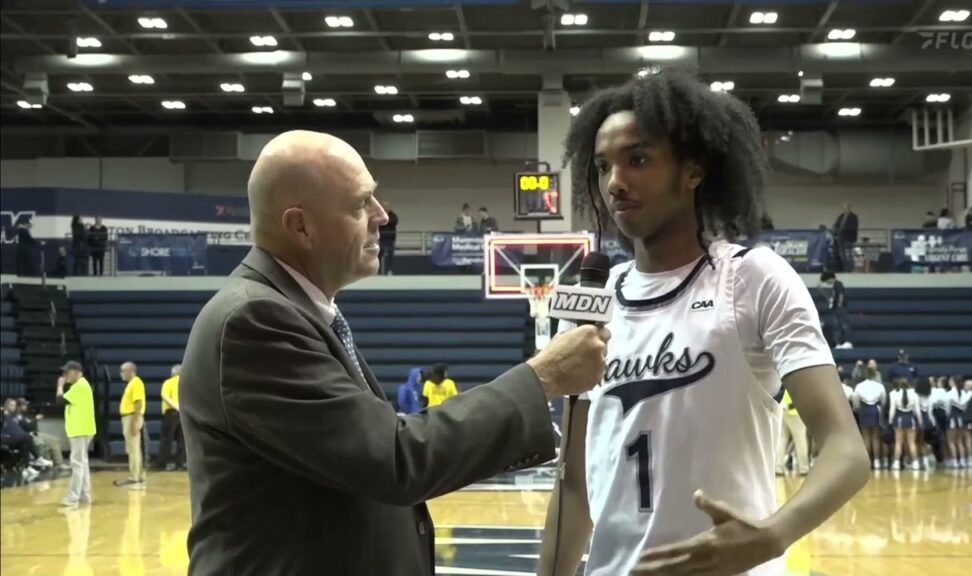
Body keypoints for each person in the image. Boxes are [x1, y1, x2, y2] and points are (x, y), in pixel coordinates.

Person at [178, 130, 610, 576]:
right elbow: (395, 459)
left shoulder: (295, 312)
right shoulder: (255, 321)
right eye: (359, 204)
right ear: (299, 226)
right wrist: (544, 377)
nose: (382, 216)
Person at [539, 68, 868, 576]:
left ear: (693, 171)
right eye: (604, 166)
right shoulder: (593, 302)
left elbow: (846, 449)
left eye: (639, 159)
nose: (615, 183)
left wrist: (772, 536)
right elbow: (576, 483)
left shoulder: (753, 277)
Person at [56, 361, 96, 507]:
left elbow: (60, 401)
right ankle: (85, 495)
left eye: (67, 372)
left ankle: (73, 497)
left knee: (77, 464)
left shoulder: (80, 386)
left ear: (76, 372)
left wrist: (60, 385)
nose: (65, 375)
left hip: (81, 430)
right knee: (83, 463)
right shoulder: (80, 386)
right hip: (82, 429)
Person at [116, 362, 146, 486]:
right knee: (134, 448)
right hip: (130, 417)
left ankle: (134, 477)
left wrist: (135, 422)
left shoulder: (136, 382)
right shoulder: (132, 384)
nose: (121, 374)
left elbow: (138, 403)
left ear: (130, 371)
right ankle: (138, 475)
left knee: (133, 448)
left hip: (132, 417)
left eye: (123, 371)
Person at [853, 366, 887, 470]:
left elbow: (856, 401)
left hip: (864, 410)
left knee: (866, 437)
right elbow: (884, 400)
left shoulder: (859, 386)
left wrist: (858, 409)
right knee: (876, 437)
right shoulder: (880, 386)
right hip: (875, 410)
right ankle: (877, 461)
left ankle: (867, 461)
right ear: (874, 374)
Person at [887, 378, 921, 470]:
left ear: (899, 385)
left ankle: (896, 463)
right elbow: (917, 410)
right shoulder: (914, 395)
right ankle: (916, 463)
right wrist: (920, 421)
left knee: (898, 443)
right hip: (910, 420)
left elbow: (892, 410)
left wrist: (890, 422)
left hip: (899, 420)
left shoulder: (895, 395)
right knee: (911, 443)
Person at [775, 389, 809, 476]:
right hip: (794, 410)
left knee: (782, 439)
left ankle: (778, 468)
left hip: (783, 406)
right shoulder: (802, 378)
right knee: (800, 440)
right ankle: (804, 468)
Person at [158, 364, 185, 471]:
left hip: (171, 413)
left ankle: (162, 463)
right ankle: (180, 464)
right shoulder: (186, 383)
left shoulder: (168, 382)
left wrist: (176, 407)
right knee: (181, 440)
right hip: (183, 414)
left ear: (174, 373)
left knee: (166, 439)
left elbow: (165, 396)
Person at [819, 271, 850, 348]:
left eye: (826, 281)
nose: (827, 283)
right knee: (838, 325)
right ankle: (840, 342)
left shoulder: (838, 284)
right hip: (837, 308)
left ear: (830, 278)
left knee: (840, 325)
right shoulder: (835, 286)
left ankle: (841, 342)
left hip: (839, 308)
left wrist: (839, 305)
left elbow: (840, 295)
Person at [832, 203, 858, 272]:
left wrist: (843, 229)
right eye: (844, 209)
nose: (845, 210)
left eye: (846, 208)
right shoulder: (841, 216)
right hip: (841, 238)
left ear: (849, 208)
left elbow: (852, 227)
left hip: (849, 238)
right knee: (842, 254)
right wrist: (835, 228)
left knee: (848, 254)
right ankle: (845, 268)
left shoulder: (854, 217)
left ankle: (851, 268)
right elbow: (836, 224)